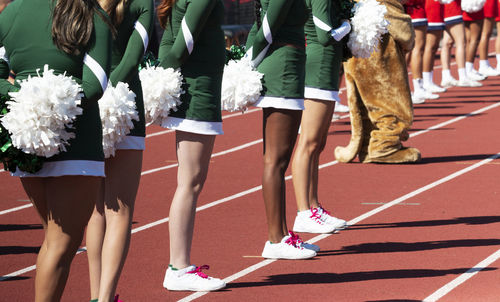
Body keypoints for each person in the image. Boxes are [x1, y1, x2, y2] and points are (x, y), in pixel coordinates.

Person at [0, 0, 111, 300]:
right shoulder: (91, 14)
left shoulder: (11, 12)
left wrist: (24, 100)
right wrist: (49, 103)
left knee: (53, 241)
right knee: (61, 244)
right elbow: (96, 84)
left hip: (27, 142)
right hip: (77, 144)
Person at [85, 0, 153, 301]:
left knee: (96, 209)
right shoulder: (141, 3)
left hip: (88, 103)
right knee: (120, 210)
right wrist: (111, 96)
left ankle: (95, 295)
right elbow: (130, 60)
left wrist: (95, 96)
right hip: (125, 107)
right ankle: (106, 297)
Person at [157, 0, 226, 292]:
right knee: (190, 182)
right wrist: (159, 77)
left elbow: (171, 41)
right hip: (197, 91)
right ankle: (178, 266)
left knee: (190, 181)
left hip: (196, 88)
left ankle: (179, 264)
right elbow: (183, 41)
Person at [245, 0, 317, 260]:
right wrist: (245, 64)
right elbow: (266, 27)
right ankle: (275, 238)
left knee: (278, 160)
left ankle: (282, 234)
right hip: (283, 69)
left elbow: (261, 24)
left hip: (288, 66)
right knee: (276, 160)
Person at [291, 0, 348, 237]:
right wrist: (348, 25)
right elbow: (325, 34)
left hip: (327, 65)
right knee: (309, 142)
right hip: (318, 65)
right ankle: (303, 212)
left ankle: (313, 206)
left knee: (318, 143)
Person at [440, 0, 482, 87]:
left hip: (444, 10)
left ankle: (446, 76)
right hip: (453, 9)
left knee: (447, 43)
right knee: (461, 43)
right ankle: (463, 77)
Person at [405, 0, 436, 104]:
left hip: (408, 12)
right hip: (416, 11)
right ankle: (418, 88)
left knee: (408, 51)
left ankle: (408, 89)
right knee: (418, 49)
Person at [422, 0, 446, 95]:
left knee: (433, 47)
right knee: (430, 47)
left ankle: (428, 80)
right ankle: (426, 82)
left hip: (437, 8)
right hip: (431, 9)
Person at [463, 5, 486, 80]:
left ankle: (468, 68)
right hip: (475, 7)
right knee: (475, 39)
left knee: (469, 39)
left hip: (464, 8)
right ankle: (469, 69)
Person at [477, 0, 499, 76]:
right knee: (485, 33)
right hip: (488, 3)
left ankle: (484, 64)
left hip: (491, 3)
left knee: (486, 34)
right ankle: (483, 64)